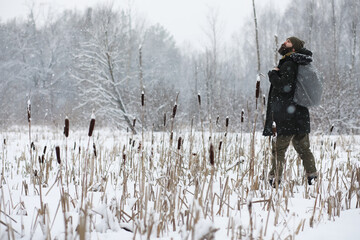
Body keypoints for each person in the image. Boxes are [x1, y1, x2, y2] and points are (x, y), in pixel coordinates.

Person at [263, 36, 318, 186]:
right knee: (303, 148)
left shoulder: (289, 63)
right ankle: (312, 176)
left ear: (293, 48)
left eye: (288, 41)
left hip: (288, 115)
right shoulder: (300, 63)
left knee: (278, 149)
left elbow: (284, 86)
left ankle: (275, 179)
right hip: (300, 114)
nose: (284, 42)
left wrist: (273, 74)